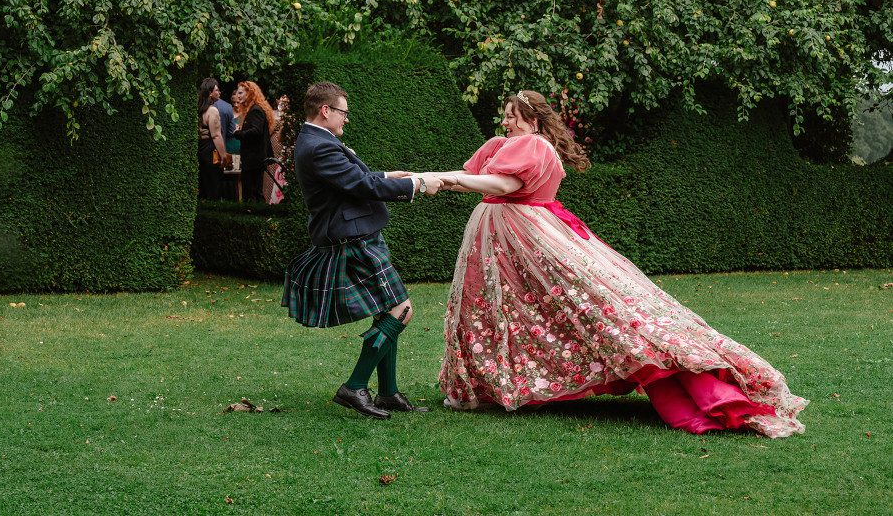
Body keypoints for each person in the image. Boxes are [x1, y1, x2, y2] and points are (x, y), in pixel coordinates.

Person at [433, 89, 808, 437]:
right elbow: (470, 180)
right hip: (509, 241)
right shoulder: (506, 145)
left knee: (590, 310)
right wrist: (422, 180)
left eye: (513, 116)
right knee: (530, 311)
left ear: (533, 120)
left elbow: (502, 187)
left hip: (527, 236)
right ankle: (501, 383)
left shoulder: (531, 144)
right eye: (506, 115)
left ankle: (702, 392)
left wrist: (443, 179)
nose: (506, 122)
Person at [281, 81, 446, 419]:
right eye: (343, 112)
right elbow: (361, 185)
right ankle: (355, 386)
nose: (346, 119)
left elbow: (349, 181)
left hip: (357, 234)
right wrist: (416, 185)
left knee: (386, 309)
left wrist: (386, 175)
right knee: (401, 311)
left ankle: (387, 392)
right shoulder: (319, 146)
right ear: (325, 110)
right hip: (353, 239)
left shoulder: (317, 140)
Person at [230, 81, 273, 202]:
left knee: (252, 193)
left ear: (250, 93)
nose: (238, 95)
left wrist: (238, 133)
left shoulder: (255, 110)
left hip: (254, 159)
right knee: (254, 192)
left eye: (241, 92)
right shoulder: (254, 109)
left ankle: (256, 215)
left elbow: (256, 131)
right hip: (254, 159)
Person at [197, 78, 228, 201]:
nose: (219, 92)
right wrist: (223, 155)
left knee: (203, 186)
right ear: (210, 93)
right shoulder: (212, 110)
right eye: (217, 90)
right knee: (214, 185)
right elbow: (216, 135)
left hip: (200, 149)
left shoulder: (199, 110)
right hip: (211, 152)